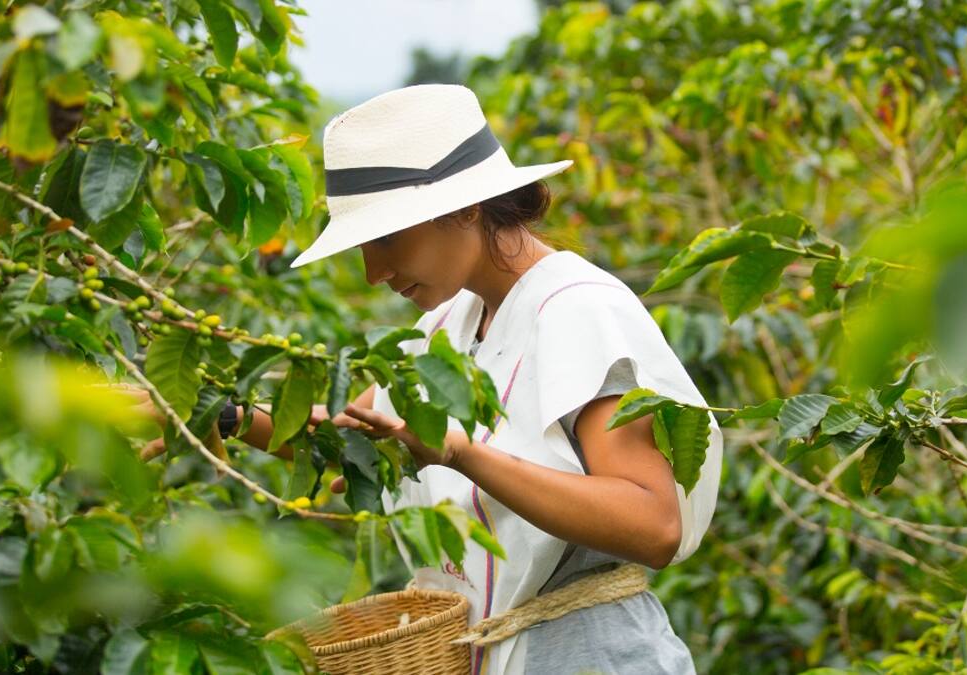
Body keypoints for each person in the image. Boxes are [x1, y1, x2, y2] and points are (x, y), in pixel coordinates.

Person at [132, 84, 722, 674]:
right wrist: (216, 414)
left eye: (385, 238)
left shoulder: (578, 310)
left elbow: (653, 523)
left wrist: (462, 453)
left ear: (465, 207)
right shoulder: (450, 324)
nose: (373, 272)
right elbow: (353, 440)